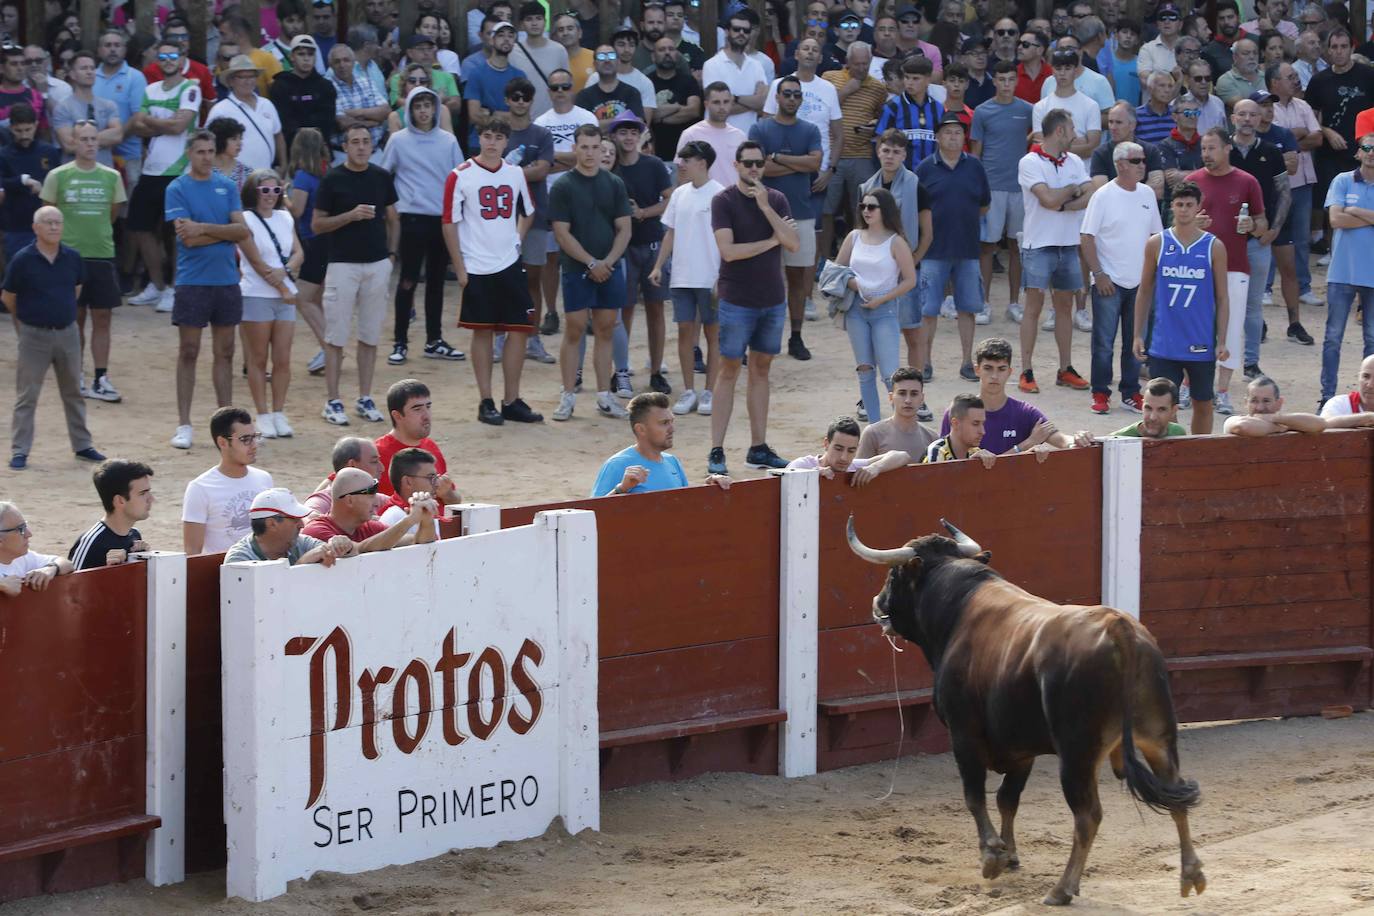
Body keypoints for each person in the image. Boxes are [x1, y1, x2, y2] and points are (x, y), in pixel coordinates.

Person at [442, 116, 544, 425]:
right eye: (487, 135)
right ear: (479, 138)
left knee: (518, 331)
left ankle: (511, 399)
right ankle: (485, 400)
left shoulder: (515, 173)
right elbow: (448, 221)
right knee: (482, 331)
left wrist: (517, 239)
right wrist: (460, 267)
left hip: (509, 263)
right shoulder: (460, 175)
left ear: (506, 141)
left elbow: (528, 211)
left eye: (498, 137)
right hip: (476, 265)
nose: (492, 142)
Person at [707, 140, 799, 475]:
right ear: (736, 165)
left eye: (759, 163)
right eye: (747, 164)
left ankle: (758, 447)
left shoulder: (775, 199)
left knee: (761, 370)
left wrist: (766, 209)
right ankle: (716, 449)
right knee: (728, 370)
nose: (753, 169)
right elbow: (729, 252)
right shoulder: (723, 201)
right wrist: (773, 240)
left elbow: (793, 243)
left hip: (772, 298)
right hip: (737, 299)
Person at [165, 130, 251, 450]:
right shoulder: (177, 188)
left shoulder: (227, 186)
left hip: (225, 280)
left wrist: (202, 227)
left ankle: (225, 422)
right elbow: (187, 239)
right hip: (193, 280)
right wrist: (223, 233)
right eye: (200, 151)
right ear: (190, 153)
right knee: (188, 351)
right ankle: (184, 423)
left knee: (225, 353)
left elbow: (242, 230)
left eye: (210, 151)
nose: (205, 157)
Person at [4, 205, 103, 470]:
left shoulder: (72, 257)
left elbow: (76, 290)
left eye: (58, 222)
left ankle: (82, 445)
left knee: (74, 391)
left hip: (67, 333)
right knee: (27, 395)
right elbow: (8, 297)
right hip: (34, 335)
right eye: (48, 222)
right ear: (35, 228)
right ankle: (20, 450)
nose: (54, 227)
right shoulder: (22, 259)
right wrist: (25, 325)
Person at [312, 125, 399, 427]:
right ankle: (333, 400)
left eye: (365, 142)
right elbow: (317, 224)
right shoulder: (333, 179)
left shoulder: (380, 176)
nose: (361, 147)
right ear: (345, 147)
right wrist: (350, 215)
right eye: (355, 142)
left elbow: (393, 217)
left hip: (377, 264)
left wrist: (391, 255)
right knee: (336, 336)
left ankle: (364, 397)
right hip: (342, 265)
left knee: (370, 334)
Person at [549, 123, 633, 421]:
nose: (589, 153)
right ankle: (568, 395)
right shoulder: (563, 186)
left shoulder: (614, 183)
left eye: (595, 147)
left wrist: (608, 261)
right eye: (583, 147)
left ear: (602, 148)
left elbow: (624, 227)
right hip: (577, 268)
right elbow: (562, 233)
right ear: (575, 148)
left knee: (606, 328)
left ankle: (604, 396)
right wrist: (591, 263)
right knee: (574, 328)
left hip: (609, 268)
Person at [1133, 180, 1230, 435]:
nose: (1184, 209)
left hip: (1200, 341)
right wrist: (1137, 334)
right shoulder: (1157, 243)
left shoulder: (1214, 247)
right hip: (1164, 342)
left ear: (1199, 207)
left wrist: (1221, 340)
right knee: (1159, 404)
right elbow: (1144, 291)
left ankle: (1198, 452)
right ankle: (1160, 453)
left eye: (1189, 204)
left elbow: (1222, 297)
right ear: (1171, 207)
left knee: (1203, 402)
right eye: (1179, 204)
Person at [40, 121, 126, 404]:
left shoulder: (112, 176)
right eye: (84, 139)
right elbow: (47, 215)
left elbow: (113, 213)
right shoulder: (58, 175)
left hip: (101, 254)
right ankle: (74, 374)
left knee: (103, 318)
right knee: (73, 319)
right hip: (68, 257)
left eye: (94, 139)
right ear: (74, 143)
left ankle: (100, 378)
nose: (90, 144)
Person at [379, 86, 463, 367]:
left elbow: (460, 178)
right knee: (407, 281)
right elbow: (383, 175)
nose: (424, 111)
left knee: (437, 282)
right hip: (412, 219)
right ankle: (400, 342)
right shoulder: (398, 141)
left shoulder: (448, 140)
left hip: (441, 220)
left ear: (436, 108)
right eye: (418, 106)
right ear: (410, 110)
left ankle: (434, 340)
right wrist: (392, 208)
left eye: (428, 105)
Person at [1186, 127, 1265, 416]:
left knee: (1231, 328)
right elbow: (1174, 223)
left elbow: (1262, 222)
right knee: (1193, 324)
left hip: (1235, 266)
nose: (1206, 154)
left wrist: (1253, 227)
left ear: (1227, 148)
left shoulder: (1247, 182)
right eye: (1203, 149)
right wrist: (1194, 226)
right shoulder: (1192, 181)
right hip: (1196, 267)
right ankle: (1188, 385)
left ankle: (1222, 391)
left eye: (1211, 148)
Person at [1080, 141, 1163, 415]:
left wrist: (1152, 277)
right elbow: (1086, 236)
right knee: (1103, 343)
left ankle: (1130, 392)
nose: (1143, 165)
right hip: (1110, 281)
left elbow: (1155, 237)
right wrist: (1099, 274)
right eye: (1137, 160)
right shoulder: (1102, 195)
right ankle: (1100, 392)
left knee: (1135, 342)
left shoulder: (1147, 194)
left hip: (1140, 283)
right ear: (1121, 164)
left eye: (1143, 160)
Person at [1017, 108, 1092, 395]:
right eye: (1072, 128)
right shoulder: (1029, 161)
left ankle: (1065, 368)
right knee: (1033, 309)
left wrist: (1064, 202)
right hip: (1038, 244)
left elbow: (1093, 191)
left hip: (1067, 243)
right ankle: (1026, 369)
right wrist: (1071, 190)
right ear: (1060, 130)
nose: (1076, 134)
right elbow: (1047, 199)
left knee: (1064, 308)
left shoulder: (1073, 159)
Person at [125, 40, 200, 314]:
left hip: (178, 170)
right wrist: (165, 124)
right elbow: (137, 127)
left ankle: (175, 288)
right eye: (163, 55)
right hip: (151, 168)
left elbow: (180, 125)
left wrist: (155, 124)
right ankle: (157, 285)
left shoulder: (190, 88)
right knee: (140, 227)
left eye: (173, 55)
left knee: (175, 233)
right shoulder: (150, 88)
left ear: (182, 58)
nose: (168, 59)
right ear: (157, 59)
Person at [750, 75, 822, 362]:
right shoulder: (760, 127)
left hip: (801, 212)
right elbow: (758, 170)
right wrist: (797, 164)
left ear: (801, 99)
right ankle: (758, 337)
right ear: (777, 97)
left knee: (797, 278)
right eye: (787, 94)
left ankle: (796, 336)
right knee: (761, 277)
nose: (792, 99)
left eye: (796, 95)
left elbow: (815, 163)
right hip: (763, 212)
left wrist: (777, 158)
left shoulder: (810, 129)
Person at [914, 113, 989, 382]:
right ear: (937, 137)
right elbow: (916, 209)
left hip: (967, 248)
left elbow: (984, 204)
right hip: (933, 250)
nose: (953, 137)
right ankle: (925, 363)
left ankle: (967, 361)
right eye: (948, 132)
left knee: (967, 308)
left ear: (964, 137)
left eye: (958, 132)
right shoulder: (924, 168)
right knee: (928, 310)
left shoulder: (975, 167)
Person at [834, 187, 917, 424]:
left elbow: (910, 280)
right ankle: (873, 426)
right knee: (865, 371)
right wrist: (852, 283)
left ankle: (899, 423)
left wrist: (881, 299)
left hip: (884, 310)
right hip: (856, 309)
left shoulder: (896, 241)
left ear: (885, 210)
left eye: (872, 207)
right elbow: (835, 269)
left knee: (891, 375)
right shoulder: (854, 237)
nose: (866, 211)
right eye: (863, 206)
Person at [651, 139, 721, 417]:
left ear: (701, 163)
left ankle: (710, 391)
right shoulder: (679, 194)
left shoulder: (720, 194)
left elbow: (726, 238)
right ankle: (689, 390)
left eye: (687, 159)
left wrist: (722, 276)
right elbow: (671, 232)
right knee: (684, 332)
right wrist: (658, 266)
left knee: (712, 333)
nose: (681, 164)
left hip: (710, 276)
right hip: (682, 275)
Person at [605, 111, 672, 397]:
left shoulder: (654, 165)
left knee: (656, 309)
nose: (629, 137)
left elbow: (670, 200)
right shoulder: (610, 168)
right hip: (622, 248)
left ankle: (656, 370)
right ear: (615, 136)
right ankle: (621, 369)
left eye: (634, 132)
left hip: (652, 243)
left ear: (640, 135)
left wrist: (644, 212)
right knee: (625, 310)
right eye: (623, 132)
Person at [1230, 96, 1296, 378]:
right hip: (1224, 241)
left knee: (1253, 306)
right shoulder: (1222, 149)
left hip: (1258, 240)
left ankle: (1250, 362)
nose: (1247, 120)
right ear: (1233, 118)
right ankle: (1215, 359)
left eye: (1252, 115)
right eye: (1242, 114)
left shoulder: (1270, 151)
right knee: (1218, 304)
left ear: (1260, 119)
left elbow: (1284, 193)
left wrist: (1275, 230)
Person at [860, 130, 933, 384]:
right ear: (878, 151)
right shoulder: (867, 188)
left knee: (912, 333)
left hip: (906, 270)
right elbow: (862, 232)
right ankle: (870, 394)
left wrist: (910, 264)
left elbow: (927, 234)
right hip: (875, 270)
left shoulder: (916, 187)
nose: (890, 156)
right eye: (886, 150)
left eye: (896, 151)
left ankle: (916, 392)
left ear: (904, 155)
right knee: (873, 334)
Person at [236, 168, 302, 439]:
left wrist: (284, 274)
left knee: (283, 358)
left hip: (284, 295)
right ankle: (262, 414)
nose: (271, 196)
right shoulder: (246, 219)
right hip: (256, 294)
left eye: (277, 190)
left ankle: (278, 412)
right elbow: (254, 261)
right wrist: (282, 284)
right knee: (258, 358)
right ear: (254, 192)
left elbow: (299, 252)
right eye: (265, 190)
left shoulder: (285, 217)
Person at [534, 68, 597, 335]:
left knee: (587, 255)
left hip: (584, 194)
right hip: (550, 196)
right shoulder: (540, 122)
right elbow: (540, 164)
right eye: (555, 87)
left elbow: (591, 157)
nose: (560, 92)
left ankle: (590, 311)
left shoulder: (586, 117)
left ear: (572, 88)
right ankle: (551, 312)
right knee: (550, 259)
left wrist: (556, 159)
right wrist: (573, 158)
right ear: (548, 91)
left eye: (565, 86)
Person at [942, 336, 1081, 453]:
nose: (994, 376)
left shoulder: (1025, 413)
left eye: (1001, 369)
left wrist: (1078, 439)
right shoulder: (957, 413)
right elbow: (948, 464)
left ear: (1009, 372)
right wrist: (1027, 444)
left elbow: (1061, 439)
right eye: (988, 368)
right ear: (977, 370)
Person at [501, 77, 558, 365]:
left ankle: (533, 338)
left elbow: (543, 171)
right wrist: (526, 170)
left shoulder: (542, 135)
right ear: (507, 100)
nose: (520, 101)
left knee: (533, 278)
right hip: (500, 218)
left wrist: (507, 171)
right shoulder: (498, 134)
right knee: (501, 278)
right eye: (515, 96)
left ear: (531, 101)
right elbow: (489, 169)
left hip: (535, 213)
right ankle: (501, 337)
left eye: (525, 97)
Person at [972, 61, 1031, 324]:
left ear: (1016, 81)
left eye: (1010, 79)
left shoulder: (1028, 110)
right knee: (987, 246)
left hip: (1020, 187)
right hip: (991, 187)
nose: (1006, 84)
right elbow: (976, 153)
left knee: (1016, 247)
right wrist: (977, 188)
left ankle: (1014, 303)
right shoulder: (982, 112)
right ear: (994, 81)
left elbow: (1037, 139)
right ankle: (983, 303)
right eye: (1001, 79)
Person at [817, 43, 887, 264]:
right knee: (827, 210)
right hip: (832, 156)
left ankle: (858, 258)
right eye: (856, 64)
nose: (861, 68)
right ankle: (823, 259)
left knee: (863, 209)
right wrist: (847, 90)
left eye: (865, 63)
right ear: (848, 62)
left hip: (862, 155)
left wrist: (874, 126)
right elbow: (823, 107)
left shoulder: (878, 87)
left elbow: (882, 117)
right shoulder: (830, 77)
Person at [1319, 135, 1374, 409]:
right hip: (1342, 272)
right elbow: (1335, 219)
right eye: (1367, 147)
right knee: (1332, 338)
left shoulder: (1345, 188)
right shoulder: (1342, 180)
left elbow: (1344, 216)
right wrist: (1369, 216)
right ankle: (1326, 396)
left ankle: (1371, 400)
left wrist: (1354, 210)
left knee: (1373, 341)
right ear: (1358, 152)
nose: (1372, 152)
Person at [591, 391, 731, 495]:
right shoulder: (617, 465)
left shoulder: (672, 461)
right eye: (664, 423)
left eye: (671, 422)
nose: (672, 429)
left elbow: (680, 499)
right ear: (641, 429)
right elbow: (592, 514)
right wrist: (621, 489)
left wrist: (709, 484)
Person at [1266, 64, 1323, 316]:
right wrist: (1298, 136)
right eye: (1290, 77)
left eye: (1295, 77)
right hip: (1275, 185)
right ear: (1274, 82)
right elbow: (1272, 142)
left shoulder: (1303, 106)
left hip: (1302, 182)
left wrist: (1290, 138)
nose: (1295, 81)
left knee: (1301, 238)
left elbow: (1317, 138)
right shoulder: (1266, 107)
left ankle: (1304, 287)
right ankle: (1265, 289)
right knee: (1269, 235)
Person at [182, 406, 273, 555]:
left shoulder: (264, 479)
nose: (254, 445)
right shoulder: (200, 488)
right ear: (222, 443)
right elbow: (192, 552)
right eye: (245, 439)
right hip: (219, 574)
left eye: (254, 437)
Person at [302, 467, 440, 550]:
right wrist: (409, 520)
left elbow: (418, 541)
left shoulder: (369, 527)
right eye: (370, 495)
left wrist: (426, 519)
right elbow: (356, 549)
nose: (376, 502)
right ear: (350, 500)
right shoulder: (317, 531)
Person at [372, 379, 460, 506]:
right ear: (397, 416)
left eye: (428, 407)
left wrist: (447, 494)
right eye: (417, 409)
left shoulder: (431, 447)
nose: (426, 415)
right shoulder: (375, 453)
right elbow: (337, 490)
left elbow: (455, 501)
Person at [222, 487, 357, 566]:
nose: (301, 524)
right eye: (294, 519)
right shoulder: (239, 560)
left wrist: (344, 547)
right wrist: (303, 563)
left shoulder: (300, 542)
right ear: (272, 524)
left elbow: (342, 557)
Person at [205, 55, 285, 171]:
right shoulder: (220, 109)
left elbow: (278, 135)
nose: (248, 81)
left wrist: (283, 165)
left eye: (251, 76)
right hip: (234, 176)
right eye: (242, 77)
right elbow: (209, 142)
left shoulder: (267, 104)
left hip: (266, 176)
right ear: (231, 81)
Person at [69, 459, 154, 569]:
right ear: (120, 501)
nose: (151, 499)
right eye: (142, 493)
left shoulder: (134, 536)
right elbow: (70, 585)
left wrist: (144, 559)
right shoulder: (92, 542)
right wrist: (106, 569)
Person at [1224, 374, 1374, 435]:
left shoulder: (1283, 421)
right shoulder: (1233, 420)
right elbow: (1244, 426)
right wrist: (1281, 425)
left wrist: (1279, 419)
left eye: (1266, 401)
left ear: (1279, 403)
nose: (1260, 407)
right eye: (1254, 401)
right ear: (1245, 402)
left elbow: (1320, 424)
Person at [93, 30, 148, 190]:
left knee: (127, 208)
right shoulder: (91, 76)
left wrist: (114, 137)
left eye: (117, 45)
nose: (112, 49)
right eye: (107, 45)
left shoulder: (135, 77)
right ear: (99, 50)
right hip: (95, 154)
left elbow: (139, 117)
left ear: (124, 49)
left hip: (127, 155)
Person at [784, 414, 911, 481]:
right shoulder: (802, 465)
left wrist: (875, 468)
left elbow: (902, 456)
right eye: (838, 449)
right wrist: (812, 474)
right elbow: (783, 480)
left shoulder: (853, 466)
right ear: (826, 444)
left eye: (851, 451)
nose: (844, 458)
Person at [50, 50, 122, 168]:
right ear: (72, 74)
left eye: (92, 68)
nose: (89, 72)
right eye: (84, 68)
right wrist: (103, 138)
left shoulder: (109, 105)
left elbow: (118, 135)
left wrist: (82, 138)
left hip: (104, 172)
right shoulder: (63, 108)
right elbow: (68, 145)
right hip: (74, 175)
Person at [703, 8, 768, 133]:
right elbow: (717, 108)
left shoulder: (757, 66)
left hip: (748, 140)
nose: (741, 33)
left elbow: (762, 104)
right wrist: (752, 102)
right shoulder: (711, 65)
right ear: (727, 32)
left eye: (746, 30)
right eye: (736, 29)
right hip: (717, 136)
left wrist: (735, 98)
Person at [268, 36, 335, 155]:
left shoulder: (326, 86)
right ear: (291, 57)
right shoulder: (279, 86)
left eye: (310, 54)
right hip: (291, 153)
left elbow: (327, 122)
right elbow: (283, 123)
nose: (306, 59)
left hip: (320, 152)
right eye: (301, 54)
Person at [876, 55, 943, 171]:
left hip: (932, 175)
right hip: (901, 175)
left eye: (915, 78)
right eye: (907, 77)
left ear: (928, 79)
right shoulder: (892, 107)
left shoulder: (938, 108)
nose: (909, 83)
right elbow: (880, 142)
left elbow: (942, 144)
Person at [466, 20, 527, 147]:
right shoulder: (476, 74)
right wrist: (507, 116)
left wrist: (492, 113)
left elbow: (522, 117)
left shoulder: (520, 76)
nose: (506, 39)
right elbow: (474, 116)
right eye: (501, 35)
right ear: (491, 40)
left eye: (510, 36)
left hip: (510, 143)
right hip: (480, 144)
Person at [1031, 48, 1100, 159]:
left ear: (1075, 70)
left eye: (1068, 68)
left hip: (1082, 172)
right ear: (1052, 70)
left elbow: (1093, 148)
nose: (1062, 73)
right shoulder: (1040, 107)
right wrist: (1079, 141)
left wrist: (1053, 143)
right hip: (1049, 171)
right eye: (1058, 68)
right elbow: (1040, 145)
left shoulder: (1091, 105)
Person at [675, 81, 747, 187]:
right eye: (716, 102)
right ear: (706, 104)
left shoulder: (740, 136)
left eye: (726, 102)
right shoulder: (691, 134)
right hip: (702, 201)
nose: (722, 107)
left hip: (734, 201)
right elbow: (683, 175)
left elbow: (745, 172)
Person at [855, 365, 935, 458]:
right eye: (902, 393)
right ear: (891, 397)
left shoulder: (931, 438)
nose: (908, 400)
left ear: (922, 398)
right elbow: (858, 470)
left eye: (914, 394)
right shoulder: (873, 434)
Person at [509, 2, 570, 120]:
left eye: (539, 18)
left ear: (545, 22)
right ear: (522, 24)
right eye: (529, 19)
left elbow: (567, 86)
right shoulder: (512, 52)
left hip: (553, 118)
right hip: (523, 118)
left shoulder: (559, 50)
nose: (534, 23)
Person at [1089, 103, 1165, 197]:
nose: (1113, 127)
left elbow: (1157, 190)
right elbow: (1102, 193)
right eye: (1110, 122)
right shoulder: (1100, 154)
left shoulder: (1150, 151)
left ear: (1132, 125)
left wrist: (1125, 196)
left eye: (1118, 122)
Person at [648, 35, 703, 165]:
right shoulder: (647, 82)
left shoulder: (689, 81)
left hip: (687, 154)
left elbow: (693, 111)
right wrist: (677, 107)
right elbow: (649, 115)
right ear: (653, 56)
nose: (667, 53)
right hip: (657, 154)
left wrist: (660, 118)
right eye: (662, 50)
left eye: (671, 49)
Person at [0, 502, 74, 596]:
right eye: (20, 529)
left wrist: (51, 568)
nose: (29, 534)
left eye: (25, 526)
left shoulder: (22, 558)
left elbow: (67, 564)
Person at [327, 43, 389, 152]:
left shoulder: (366, 82)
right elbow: (342, 123)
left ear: (353, 62)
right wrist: (371, 122)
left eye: (346, 60)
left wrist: (355, 113)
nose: (342, 65)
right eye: (337, 61)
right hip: (343, 155)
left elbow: (385, 111)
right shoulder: (327, 87)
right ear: (331, 65)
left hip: (374, 151)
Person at [304, 435, 387, 515]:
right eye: (374, 462)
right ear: (352, 466)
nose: (382, 468)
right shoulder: (320, 503)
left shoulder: (381, 500)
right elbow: (308, 521)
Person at [574, 43, 645, 129]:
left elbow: (637, 124)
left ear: (618, 62)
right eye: (601, 57)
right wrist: (623, 120)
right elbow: (583, 128)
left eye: (611, 56)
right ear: (595, 65)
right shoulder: (583, 96)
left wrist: (599, 124)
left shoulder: (632, 93)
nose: (607, 60)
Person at [924, 394, 997, 466]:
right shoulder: (937, 451)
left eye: (982, 424)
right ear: (956, 423)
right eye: (975, 424)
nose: (982, 432)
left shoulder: (976, 452)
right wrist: (969, 467)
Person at [1108, 377, 1188, 438]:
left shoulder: (1178, 433)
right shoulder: (1118, 439)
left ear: (1174, 410)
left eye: (1161, 409)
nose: (1153, 417)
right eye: (1148, 408)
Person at [1136, 0, 1182, 87]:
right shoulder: (1147, 49)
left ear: (1180, 24)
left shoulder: (1187, 48)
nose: (1167, 21)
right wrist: (1175, 78)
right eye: (1162, 17)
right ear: (1157, 24)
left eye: (1172, 17)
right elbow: (1144, 79)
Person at [1321, 354, 1374, 418]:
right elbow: (1323, 424)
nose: (1370, 385)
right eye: (1365, 376)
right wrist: (1366, 419)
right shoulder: (1340, 404)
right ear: (1359, 377)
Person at [1216, 38, 1264, 107]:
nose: (1252, 57)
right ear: (1235, 57)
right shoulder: (1226, 80)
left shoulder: (1266, 77)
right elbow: (1245, 107)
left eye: (1255, 53)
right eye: (1246, 53)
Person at [207, 116, 251, 189]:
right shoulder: (202, 170)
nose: (239, 143)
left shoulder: (247, 173)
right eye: (234, 139)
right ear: (220, 140)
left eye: (240, 139)